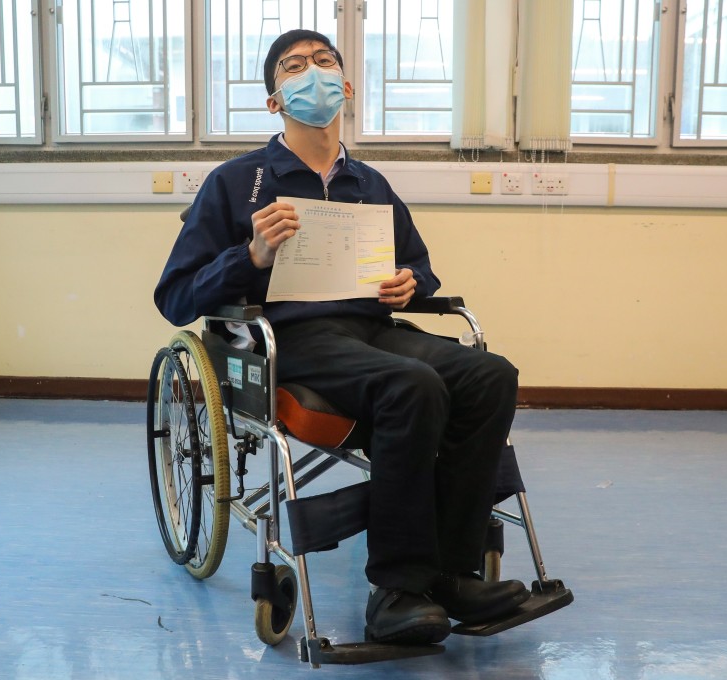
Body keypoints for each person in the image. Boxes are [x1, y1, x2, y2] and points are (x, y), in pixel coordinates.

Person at [154, 29, 529, 645]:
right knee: (412, 385)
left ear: (346, 87)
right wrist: (250, 252)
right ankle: (398, 588)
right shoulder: (238, 183)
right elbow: (175, 296)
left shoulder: (370, 185)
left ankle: (454, 575)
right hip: (292, 337)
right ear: (275, 99)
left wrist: (411, 282)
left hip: (373, 328)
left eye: (324, 63)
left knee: (492, 375)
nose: (312, 74)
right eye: (293, 67)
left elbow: (420, 267)